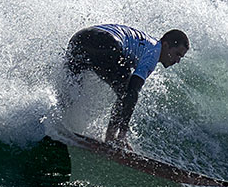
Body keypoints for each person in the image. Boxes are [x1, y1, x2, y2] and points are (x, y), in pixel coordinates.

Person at [61, 24, 189, 149]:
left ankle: (57, 123)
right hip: (105, 42)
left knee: (72, 89)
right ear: (166, 45)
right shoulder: (153, 53)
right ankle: (112, 138)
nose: (178, 60)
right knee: (126, 91)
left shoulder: (147, 43)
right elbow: (131, 92)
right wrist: (123, 132)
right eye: (177, 54)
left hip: (80, 38)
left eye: (181, 57)